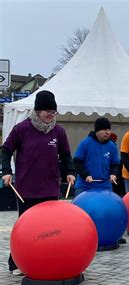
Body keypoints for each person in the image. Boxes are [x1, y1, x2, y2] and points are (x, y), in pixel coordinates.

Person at [1, 90, 76, 275]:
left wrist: (70, 172)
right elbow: (6, 150)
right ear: (37, 111)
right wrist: (7, 172)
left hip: (50, 187)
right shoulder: (22, 129)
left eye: (53, 111)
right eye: (47, 111)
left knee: (50, 228)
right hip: (27, 188)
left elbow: (66, 155)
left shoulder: (58, 131)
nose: (51, 115)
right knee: (25, 228)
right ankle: (15, 262)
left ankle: (46, 257)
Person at [73, 117, 121, 196]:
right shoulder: (85, 143)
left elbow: (115, 164)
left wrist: (113, 174)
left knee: (107, 208)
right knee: (81, 208)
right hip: (85, 186)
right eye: (104, 130)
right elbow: (77, 162)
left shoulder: (112, 146)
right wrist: (86, 175)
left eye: (109, 130)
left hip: (105, 186)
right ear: (97, 131)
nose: (107, 132)